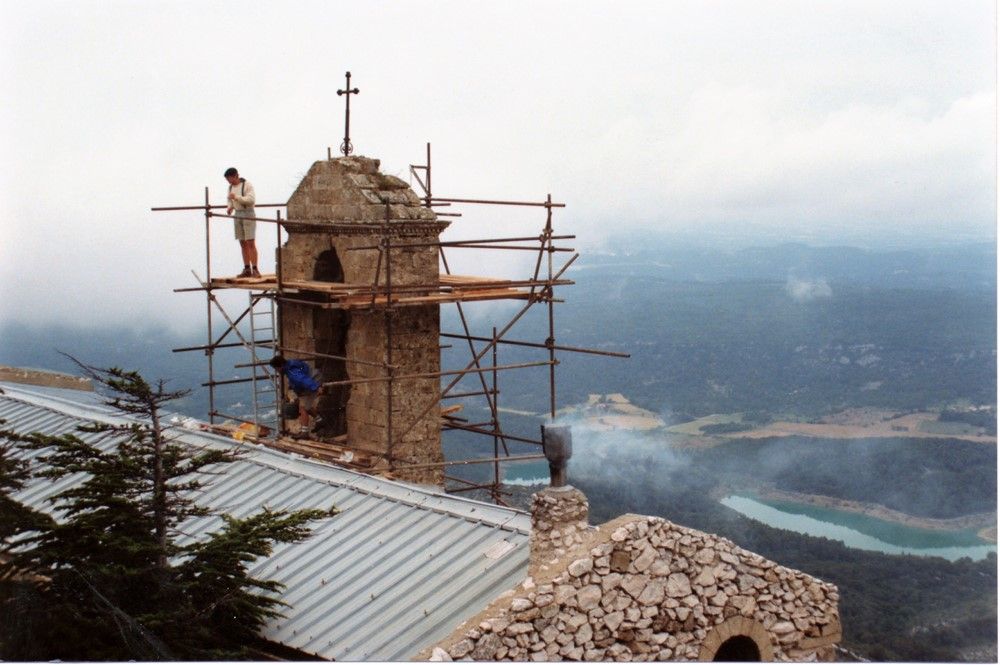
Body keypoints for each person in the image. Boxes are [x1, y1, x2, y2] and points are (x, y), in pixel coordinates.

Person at [269, 355, 321, 438]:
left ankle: (305, 433)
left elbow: (303, 379)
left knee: (303, 408)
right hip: (311, 381)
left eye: (276, 369)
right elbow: (298, 379)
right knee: (305, 405)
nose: (277, 371)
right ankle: (320, 421)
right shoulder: (290, 366)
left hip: (313, 381)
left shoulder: (292, 371)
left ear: (281, 366)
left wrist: (316, 387)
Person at [224, 167, 259, 278]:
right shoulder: (230, 187)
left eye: (230, 179)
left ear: (236, 176)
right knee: (242, 242)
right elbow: (229, 200)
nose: (229, 181)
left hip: (247, 213)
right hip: (238, 214)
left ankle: (255, 269)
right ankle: (247, 268)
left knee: (250, 242)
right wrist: (230, 207)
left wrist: (237, 197)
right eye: (228, 180)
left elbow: (251, 200)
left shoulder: (247, 185)